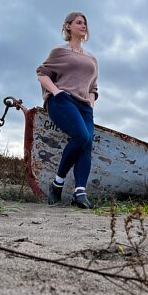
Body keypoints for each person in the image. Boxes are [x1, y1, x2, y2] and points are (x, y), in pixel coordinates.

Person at [36, 12, 98, 209]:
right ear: (68, 26)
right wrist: (56, 92)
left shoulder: (92, 59)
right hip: (63, 101)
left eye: (85, 23)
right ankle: (57, 184)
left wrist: (91, 102)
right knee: (81, 136)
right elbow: (42, 73)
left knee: (86, 143)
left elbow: (93, 88)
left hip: (84, 106)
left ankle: (80, 193)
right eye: (79, 22)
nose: (83, 26)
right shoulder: (59, 51)